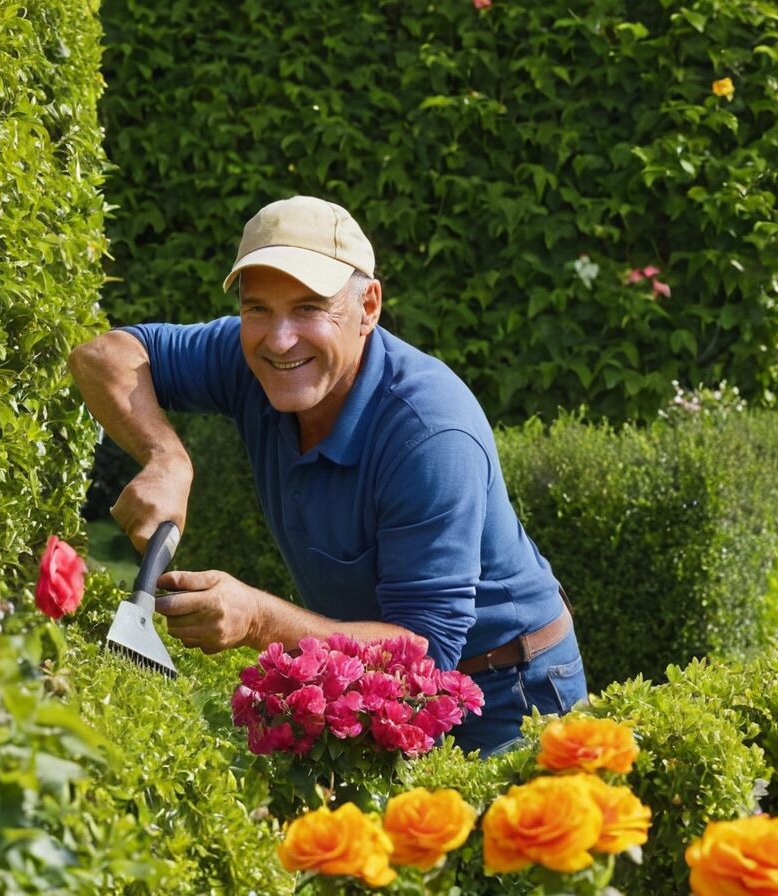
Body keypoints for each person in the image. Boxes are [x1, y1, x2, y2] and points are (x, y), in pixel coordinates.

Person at [67, 195, 586, 756]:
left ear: (368, 306)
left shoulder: (430, 435)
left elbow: (428, 654)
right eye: (257, 307)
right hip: (364, 675)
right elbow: (103, 355)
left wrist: (258, 618)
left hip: (506, 694)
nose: (280, 338)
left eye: (310, 307)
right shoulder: (251, 355)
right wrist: (166, 456)